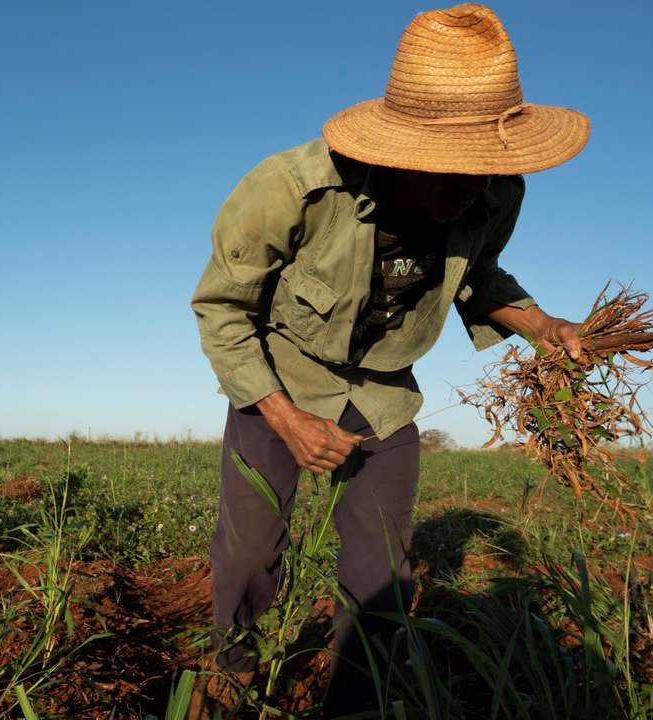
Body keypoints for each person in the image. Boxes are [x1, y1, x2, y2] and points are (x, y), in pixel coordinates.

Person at [187, 4, 589, 716]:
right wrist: (282, 417)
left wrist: (540, 324)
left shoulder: (494, 194)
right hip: (280, 381)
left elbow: (480, 278)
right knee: (248, 555)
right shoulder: (291, 189)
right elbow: (223, 310)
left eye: (484, 170)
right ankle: (232, 671)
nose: (471, 187)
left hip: (384, 395)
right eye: (453, 170)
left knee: (382, 579)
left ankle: (357, 701)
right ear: (401, 148)